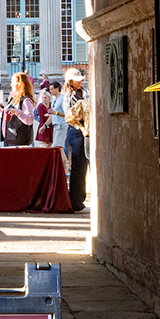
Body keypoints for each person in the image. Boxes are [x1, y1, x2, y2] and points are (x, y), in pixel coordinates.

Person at [63, 68, 90, 212]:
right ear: (71, 82)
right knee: (80, 167)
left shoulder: (77, 93)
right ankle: (76, 200)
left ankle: (78, 199)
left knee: (81, 166)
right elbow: (77, 115)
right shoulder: (73, 95)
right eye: (77, 80)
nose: (80, 82)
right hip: (78, 131)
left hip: (76, 131)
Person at [1, 72, 36, 147]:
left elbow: (30, 120)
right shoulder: (13, 99)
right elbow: (7, 114)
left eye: (13, 82)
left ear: (20, 84)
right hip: (10, 137)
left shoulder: (25, 100)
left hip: (19, 140)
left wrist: (18, 112)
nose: (11, 85)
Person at [47, 81, 68, 168]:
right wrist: (45, 125)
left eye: (52, 89)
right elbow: (53, 114)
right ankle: (63, 169)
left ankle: (64, 169)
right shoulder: (55, 100)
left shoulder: (62, 98)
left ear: (57, 88)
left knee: (58, 147)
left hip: (61, 125)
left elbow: (66, 113)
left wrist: (55, 112)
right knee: (59, 148)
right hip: (56, 126)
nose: (50, 91)